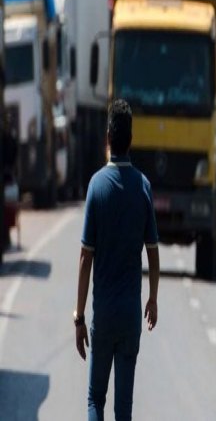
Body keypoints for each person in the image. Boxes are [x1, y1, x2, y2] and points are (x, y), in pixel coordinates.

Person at [74, 99, 160, 421]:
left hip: (105, 313)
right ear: (131, 139)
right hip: (131, 315)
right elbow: (152, 251)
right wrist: (153, 298)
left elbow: (85, 258)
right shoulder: (143, 187)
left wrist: (79, 316)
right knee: (124, 407)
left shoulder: (97, 186)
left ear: (108, 137)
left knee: (96, 398)